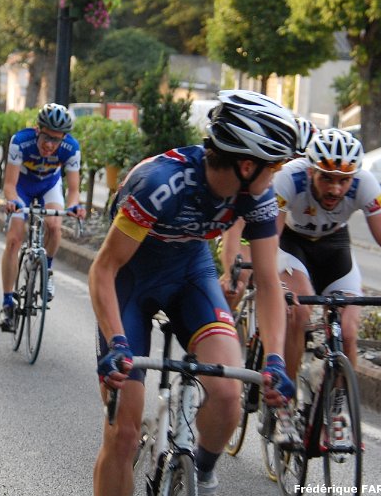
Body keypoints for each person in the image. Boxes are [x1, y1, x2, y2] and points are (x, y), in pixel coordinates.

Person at [90, 90, 298, 496]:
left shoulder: (256, 196)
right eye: (273, 167)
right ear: (246, 165)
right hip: (131, 280)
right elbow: (104, 268)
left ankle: (199, 474)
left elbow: (269, 281)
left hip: (190, 274)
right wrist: (116, 343)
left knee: (228, 393)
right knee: (123, 434)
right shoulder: (159, 185)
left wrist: (274, 358)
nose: (274, 177)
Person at [273, 128, 381, 378]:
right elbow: (269, 240)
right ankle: (286, 391)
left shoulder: (364, 183)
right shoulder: (289, 178)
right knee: (299, 311)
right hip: (292, 243)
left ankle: (337, 397)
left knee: (348, 332)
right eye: (327, 178)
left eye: (343, 180)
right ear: (310, 171)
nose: (335, 189)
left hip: (334, 246)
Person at [0, 103, 86, 332]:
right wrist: (13, 202)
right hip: (22, 187)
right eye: (46, 137)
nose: (49, 145)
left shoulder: (71, 148)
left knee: (54, 226)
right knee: (14, 239)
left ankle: (47, 270)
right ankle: (7, 303)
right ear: (37, 130)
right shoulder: (20, 141)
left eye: (56, 140)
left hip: (49, 186)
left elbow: (73, 190)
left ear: (63, 137)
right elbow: (9, 185)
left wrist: (74, 206)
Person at [218, 115, 318, 309]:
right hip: (244, 231)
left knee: (295, 294)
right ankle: (221, 320)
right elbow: (235, 228)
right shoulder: (259, 184)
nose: (288, 170)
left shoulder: (306, 185)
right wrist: (233, 274)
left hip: (278, 237)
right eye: (285, 161)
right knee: (241, 275)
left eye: (300, 163)